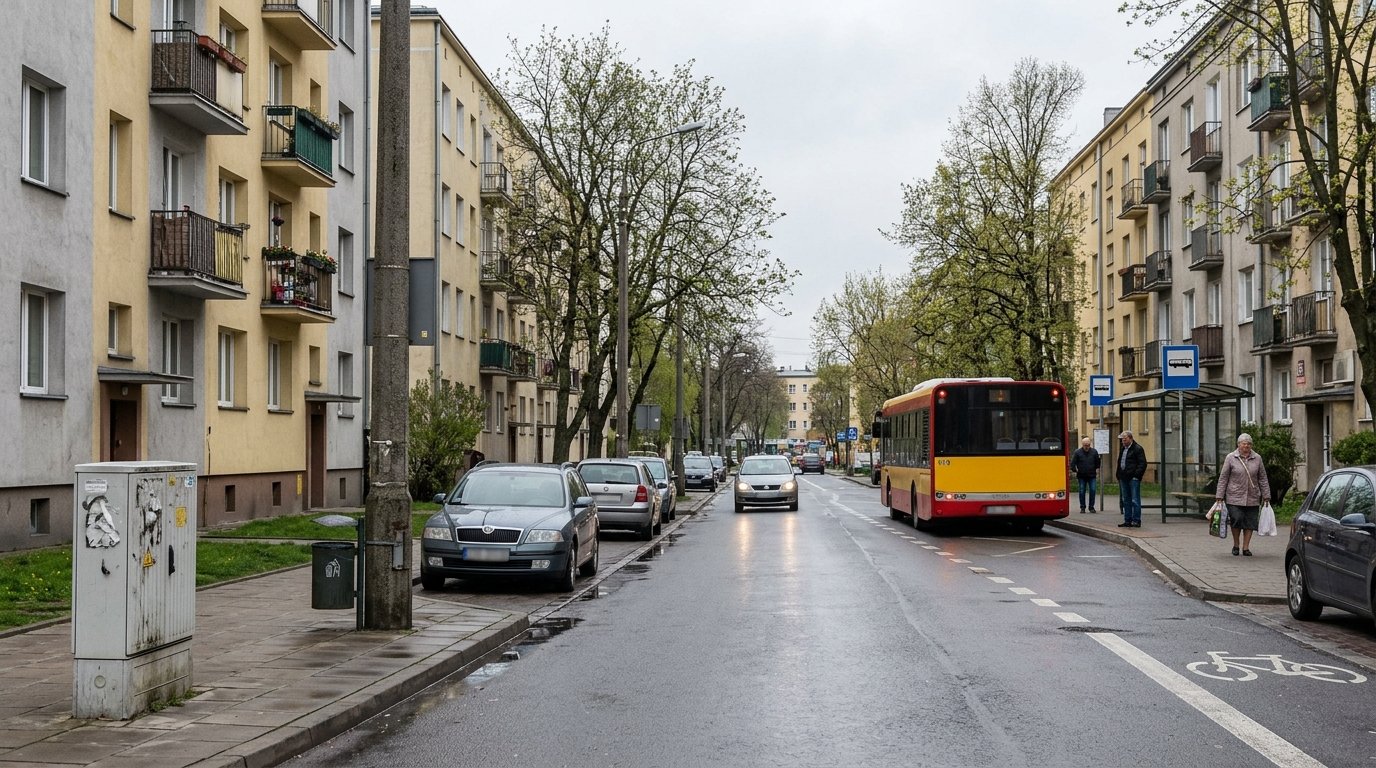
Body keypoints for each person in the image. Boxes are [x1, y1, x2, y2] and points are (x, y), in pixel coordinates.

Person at [1214, 433, 1271, 557]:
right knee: (1236, 519)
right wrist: (1219, 495)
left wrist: (1266, 495)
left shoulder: (1257, 458)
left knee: (1250, 522)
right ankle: (1236, 544)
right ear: (1238, 444)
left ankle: (1246, 547)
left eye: (1249, 444)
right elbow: (1223, 477)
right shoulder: (1231, 458)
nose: (1246, 446)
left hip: (1252, 496)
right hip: (1234, 496)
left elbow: (1262, 478)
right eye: (1244, 443)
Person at [1116, 430, 1146, 528]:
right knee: (1126, 500)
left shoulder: (1137, 449)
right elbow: (1120, 461)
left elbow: (1142, 464)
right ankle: (1127, 520)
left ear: (1130, 438)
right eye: (1122, 440)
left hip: (1133, 478)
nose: (1123, 442)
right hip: (1123, 477)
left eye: (1125, 440)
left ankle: (1136, 520)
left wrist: (1136, 475)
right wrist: (1118, 474)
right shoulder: (1123, 449)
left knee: (1135, 500)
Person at [1069, 437, 1101, 513]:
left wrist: (1097, 469)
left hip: (1092, 475)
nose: (1087, 447)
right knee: (1082, 491)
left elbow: (1097, 462)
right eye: (1085, 445)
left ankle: (1091, 507)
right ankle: (1082, 507)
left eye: (1088, 445)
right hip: (1081, 475)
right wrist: (1075, 470)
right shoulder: (1077, 452)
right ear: (1082, 444)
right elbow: (1073, 463)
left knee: (1093, 490)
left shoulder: (1094, 452)